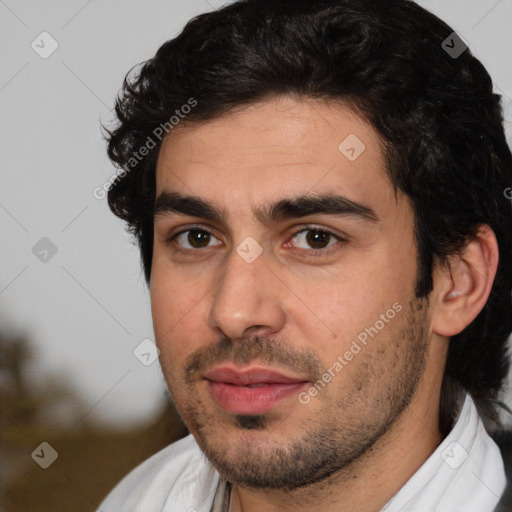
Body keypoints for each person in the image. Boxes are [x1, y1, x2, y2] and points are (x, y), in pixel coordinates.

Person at [97, 0, 512, 510]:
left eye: (315, 238)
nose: (233, 312)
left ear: (458, 281)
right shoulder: (138, 498)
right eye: (197, 238)